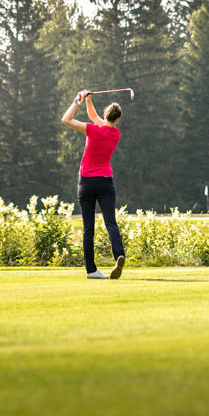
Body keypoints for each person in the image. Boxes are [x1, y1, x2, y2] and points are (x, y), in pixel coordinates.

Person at [61, 90, 126, 279]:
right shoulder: (116, 134)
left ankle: (91, 270)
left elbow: (66, 119)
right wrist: (89, 101)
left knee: (88, 228)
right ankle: (119, 254)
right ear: (117, 120)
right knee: (111, 222)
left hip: (87, 182)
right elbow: (94, 117)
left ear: (105, 114)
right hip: (105, 183)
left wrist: (78, 99)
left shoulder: (92, 129)